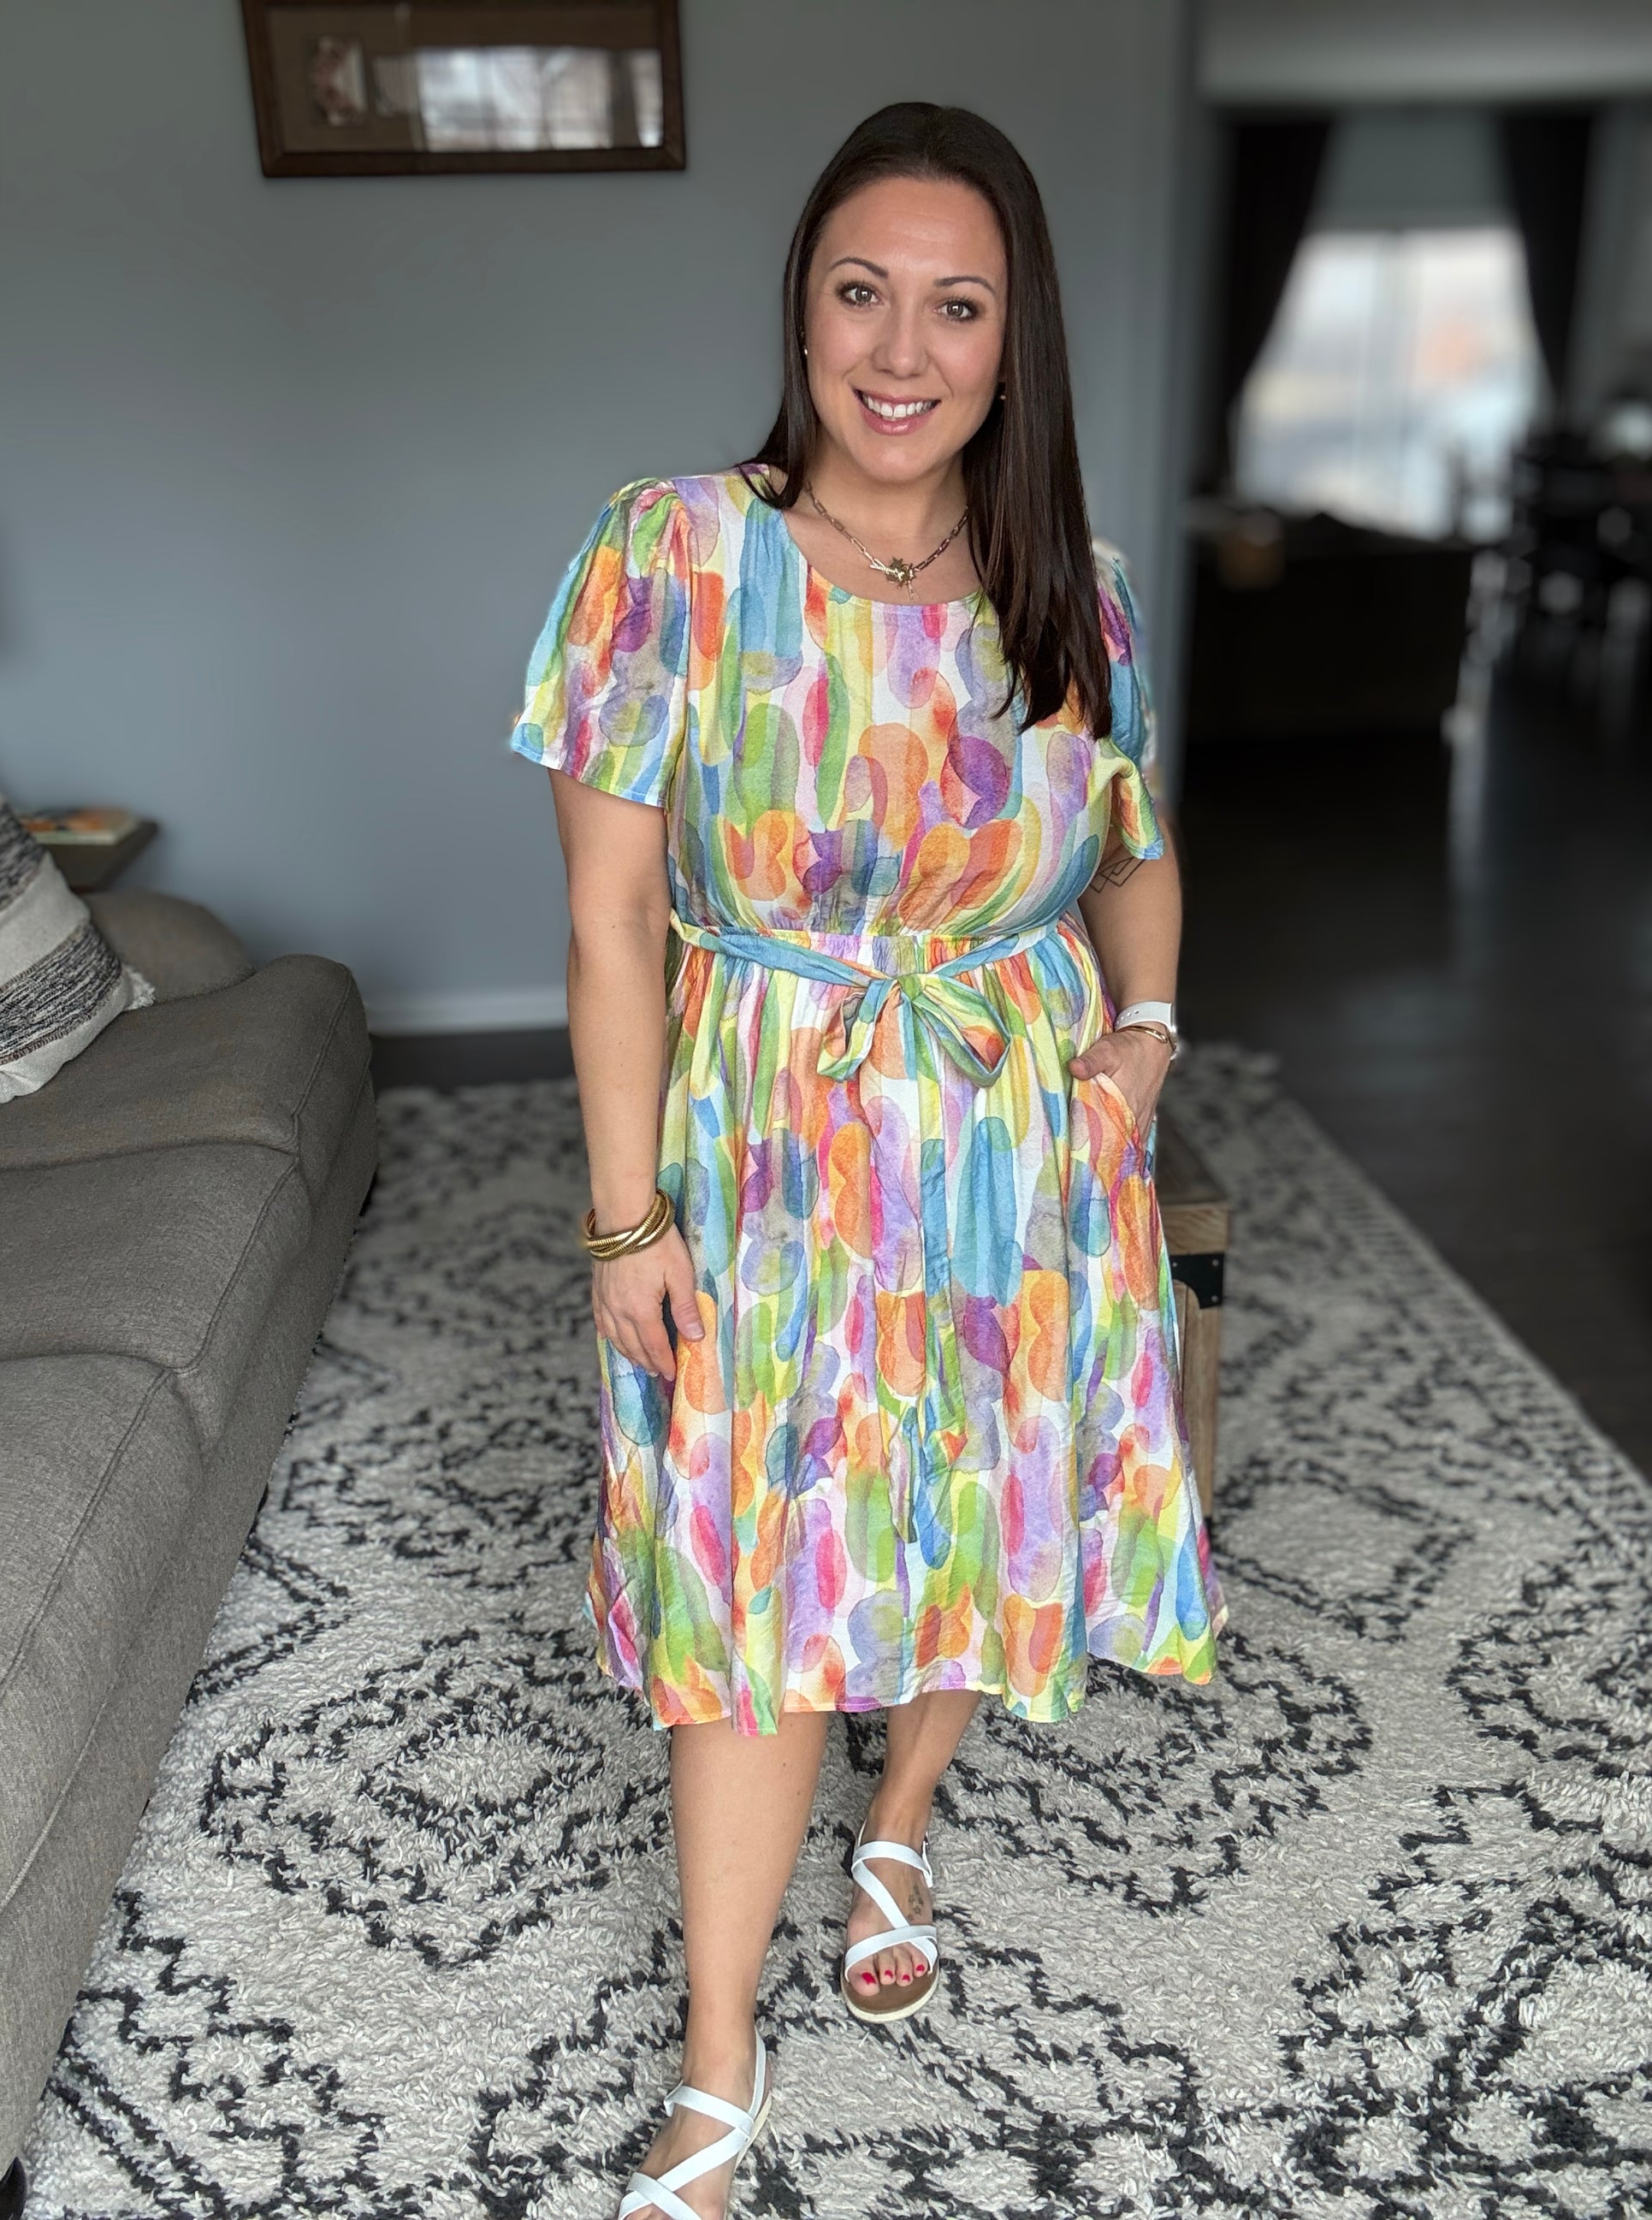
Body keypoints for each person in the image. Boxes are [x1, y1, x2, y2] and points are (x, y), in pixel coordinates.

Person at [511, 100, 1227, 2220]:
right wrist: (624, 1213)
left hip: (1014, 1142)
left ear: (1016, 340)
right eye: (860, 292)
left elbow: (1135, 846)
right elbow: (610, 926)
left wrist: (1144, 1041)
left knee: (969, 1521)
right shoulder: (669, 552)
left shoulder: (1076, 585)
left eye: (956, 305)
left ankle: (901, 1813)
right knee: (747, 1585)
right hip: (762, 1149)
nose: (900, 351)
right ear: (801, 310)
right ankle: (718, 2053)